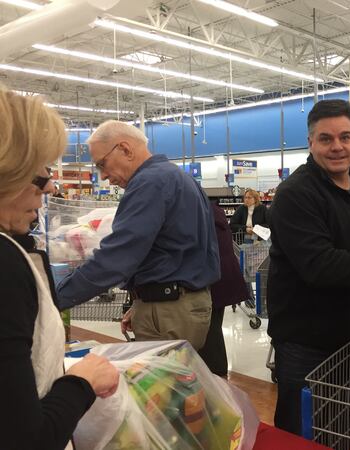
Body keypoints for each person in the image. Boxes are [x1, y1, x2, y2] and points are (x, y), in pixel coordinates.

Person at [266, 99, 350, 436]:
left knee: (345, 429)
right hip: (305, 342)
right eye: (326, 139)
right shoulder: (296, 194)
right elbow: (319, 265)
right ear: (311, 143)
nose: (337, 146)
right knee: (302, 434)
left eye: (345, 136)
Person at [0, 88, 119, 450]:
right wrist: (82, 380)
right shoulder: (6, 266)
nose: (51, 185)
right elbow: (26, 438)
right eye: (40, 173)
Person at [56, 120, 220, 352]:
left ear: (125, 149)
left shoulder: (149, 183)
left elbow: (116, 259)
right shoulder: (176, 176)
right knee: (173, 382)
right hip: (176, 304)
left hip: (169, 310)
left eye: (102, 164)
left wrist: (54, 298)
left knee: (161, 387)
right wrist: (145, 301)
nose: (103, 176)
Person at [199, 203, 250, 376]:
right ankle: (217, 373)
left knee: (209, 330)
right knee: (213, 327)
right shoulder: (212, 210)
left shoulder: (196, 212)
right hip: (222, 276)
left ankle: (216, 376)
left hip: (211, 279)